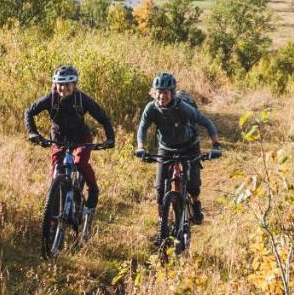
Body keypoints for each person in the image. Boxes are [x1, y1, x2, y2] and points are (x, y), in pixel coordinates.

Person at [25, 65, 116, 224]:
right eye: (60, 84)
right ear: (55, 84)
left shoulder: (82, 99)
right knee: (56, 173)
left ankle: (93, 190)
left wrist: (110, 138)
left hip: (82, 138)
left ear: (74, 85)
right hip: (59, 139)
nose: (63, 88)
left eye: (67, 84)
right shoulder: (51, 98)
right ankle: (53, 218)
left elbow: (103, 117)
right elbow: (29, 112)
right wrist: (33, 132)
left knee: (80, 162)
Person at [135, 72, 220, 227]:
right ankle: (162, 224)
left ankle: (195, 204)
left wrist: (216, 146)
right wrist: (140, 147)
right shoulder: (151, 108)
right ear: (154, 92)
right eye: (159, 92)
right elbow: (142, 128)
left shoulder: (182, 107)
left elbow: (206, 122)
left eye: (166, 92)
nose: (162, 96)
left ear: (172, 93)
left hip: (189, 146)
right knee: (160, 189)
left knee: (193, 185)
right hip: (165, 148)